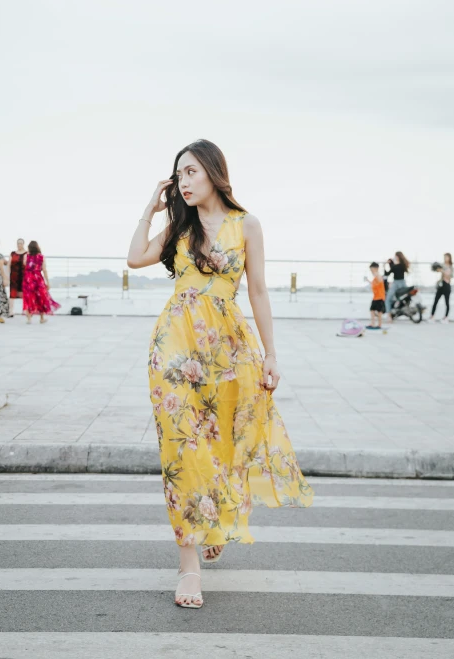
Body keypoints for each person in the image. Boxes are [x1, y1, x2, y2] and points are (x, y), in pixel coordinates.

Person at [127, 139, 314, 610]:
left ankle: (217, 514)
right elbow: (135, 258)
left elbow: (258, 292)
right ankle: (189, 566)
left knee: (223, 440)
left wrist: (271, 353)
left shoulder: (245, 225)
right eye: (178, 175)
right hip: (173, 346)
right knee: (180, 444)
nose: (184, 181)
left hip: (227, 349)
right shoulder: (178, 227)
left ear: (212, 171)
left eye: (190, 172)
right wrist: (151, 208)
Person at [22, 241, 60, 323]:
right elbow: (44, 270)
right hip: (38, 279)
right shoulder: (41, 257)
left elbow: (24, 264)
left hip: (28, 279)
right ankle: (42, 318)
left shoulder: (26, 256)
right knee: (41, 298)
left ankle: (29, 319)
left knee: (28, 298)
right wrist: (47, 282)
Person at [384, 252, 410, 322]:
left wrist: (387, 264)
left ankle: (389, 316)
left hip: (397, 283)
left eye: (395, 256)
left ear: (397, 256)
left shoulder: (398, 266)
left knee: (388, 299)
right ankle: (390, 315)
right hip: (401, 282)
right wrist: (389, 264)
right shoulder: (402, 265)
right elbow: (389, 272)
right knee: (391, 299)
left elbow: (388, 273)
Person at [429, 253, 453, 324]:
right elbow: (436, 270)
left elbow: (450, 276)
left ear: (449, 258)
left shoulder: (451, 267)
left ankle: (446, 317)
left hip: (447, 285)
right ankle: (432, 316)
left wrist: (443, 271)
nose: (445, 258)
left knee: (447, 302)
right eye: (444, 257)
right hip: (441, 285)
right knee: (435, 301)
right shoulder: (442, 265)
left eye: (447, 257)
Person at [8, 238, 27, 317]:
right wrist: (8, 275)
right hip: (14, 276)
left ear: (23, 244)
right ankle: (11, 311)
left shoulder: (26, 253)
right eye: (18, 243)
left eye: (21, 243)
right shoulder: (12, 253)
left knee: (24, 293)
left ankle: (25, 311)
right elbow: (9, 264)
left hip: (24, 275)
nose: (19, 245)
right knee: (12, 294)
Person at [365, 262, 385, 330]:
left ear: (376, 269)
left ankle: (379, 324)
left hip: (380, 297)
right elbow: (374, 284)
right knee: (372, 310)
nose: (371, 271)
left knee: (379, 311)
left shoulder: (378, 276)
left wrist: (376, 273)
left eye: (372, 270)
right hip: (375, 297)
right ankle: (372, 323)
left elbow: (380, 280)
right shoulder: (374, 278)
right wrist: (368, 281)